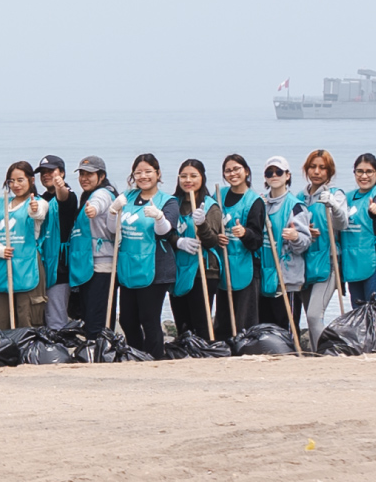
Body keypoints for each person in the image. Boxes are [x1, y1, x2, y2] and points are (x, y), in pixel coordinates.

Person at [111, 153, 180, 359]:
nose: (143, 176)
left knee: (149, 318)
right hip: (129, 266)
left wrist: (159, 217)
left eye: (148, 171)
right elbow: (113, 231)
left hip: (156, 268)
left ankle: (155, 359)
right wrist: (113, 211)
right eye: (138, 172)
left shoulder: (168, 201)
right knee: (127, 320)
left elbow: (166, 232)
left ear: (158, 174)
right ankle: (137, 355)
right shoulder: (127, 197)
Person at [0, 160, 51, 330]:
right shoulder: (0, 205)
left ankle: (27, 355)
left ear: (31, 180)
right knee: (4, 320)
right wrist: (0, 250)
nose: (15, 185)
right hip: (2, 267)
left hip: (27, 267)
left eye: (20, 180)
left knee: (26, 317)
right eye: (11, 181)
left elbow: (38, 214)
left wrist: (34, 208)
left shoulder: (38, 202)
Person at [256, 156, 313, 343]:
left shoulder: (295, 206)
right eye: (269, 173)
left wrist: (295, 237)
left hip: (286, 278)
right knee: (266, 328)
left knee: (287, 327)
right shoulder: (261, 204)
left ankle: (293, 355)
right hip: (266, 276)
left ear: (287, 176)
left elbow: (305, 242)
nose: (274, 176)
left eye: (279, 172)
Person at [168, 159, 222, 343]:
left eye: (193, 176)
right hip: (178, 270)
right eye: (183, 176)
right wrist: (178, 241)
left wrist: (202, 224)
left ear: (202, 178)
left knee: (201, 323)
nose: (187, 180)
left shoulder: (210, 206)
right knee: (182, 324)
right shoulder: (172, 203)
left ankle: (205, 355)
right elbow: (165, 234)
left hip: (204, 271)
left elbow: (214, 241)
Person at [212, 154, 265, 339]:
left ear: (246, 171)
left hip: (245, 265)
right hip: (223, 263)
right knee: (223, 318)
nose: (232, 173)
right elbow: (210, 224)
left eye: (236, 169)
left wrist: (245, 233)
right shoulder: (219, 195)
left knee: (244, 318)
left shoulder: (254, 201)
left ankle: (245, 350)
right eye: (228, 170)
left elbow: (257, 239)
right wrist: (216, 237)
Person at [299, 149, 344, 348]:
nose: (316, 171)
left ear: (329, 172)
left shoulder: (335, 194)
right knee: (310, 315)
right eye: (313, 167)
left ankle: (326, 352)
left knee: (313, 315)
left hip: (328, 263)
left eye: (322, 168)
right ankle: (319, 349)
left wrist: (333, 206)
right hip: (304, 264)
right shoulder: (300, 197)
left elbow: (342, 224)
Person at [66, 157, 117, 325]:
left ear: (101, 176)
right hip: (89, 265)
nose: (84, 178)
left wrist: (93, 209)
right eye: (81, 174)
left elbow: (99, 203)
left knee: (97, 320)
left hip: (101, 267)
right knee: (90, 317)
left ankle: (99, 349)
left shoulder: (102, 194)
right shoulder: (88, 195)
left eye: (90, 174)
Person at [335, 152, 376, 308]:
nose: (364, 176)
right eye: (360, 171)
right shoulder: (348, 197)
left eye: (369, 172)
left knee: (374, 312)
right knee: (358, 313)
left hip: (375, 261)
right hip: (352, 262)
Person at [35, 155, 77, 328]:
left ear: (62, 173)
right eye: (43, 172)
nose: (46, 175)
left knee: (56, 318)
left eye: (51, 171)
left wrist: (60, 186)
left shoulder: (69, 195)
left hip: (60, 268)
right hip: (41, 265)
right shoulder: (41, 198)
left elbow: (63, 198)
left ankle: (58, 353)